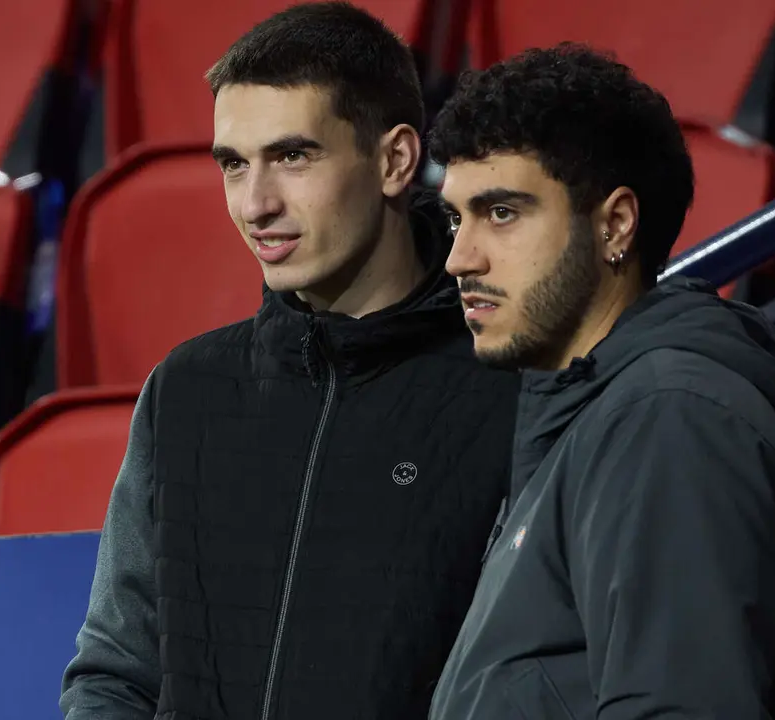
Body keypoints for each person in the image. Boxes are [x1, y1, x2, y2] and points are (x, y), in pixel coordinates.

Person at [59, 4, 519, 720]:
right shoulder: (186, 392)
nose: (255, 204)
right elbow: (118, 671)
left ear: (395, 159)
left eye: (293, 156)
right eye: (234, 165)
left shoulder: (513, 384)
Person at [425, 44, 775, 719]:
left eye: (502, 212)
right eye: (456, 217)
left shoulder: (669, 419)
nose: (459, 258)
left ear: (615, 224)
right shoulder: (593, 413)